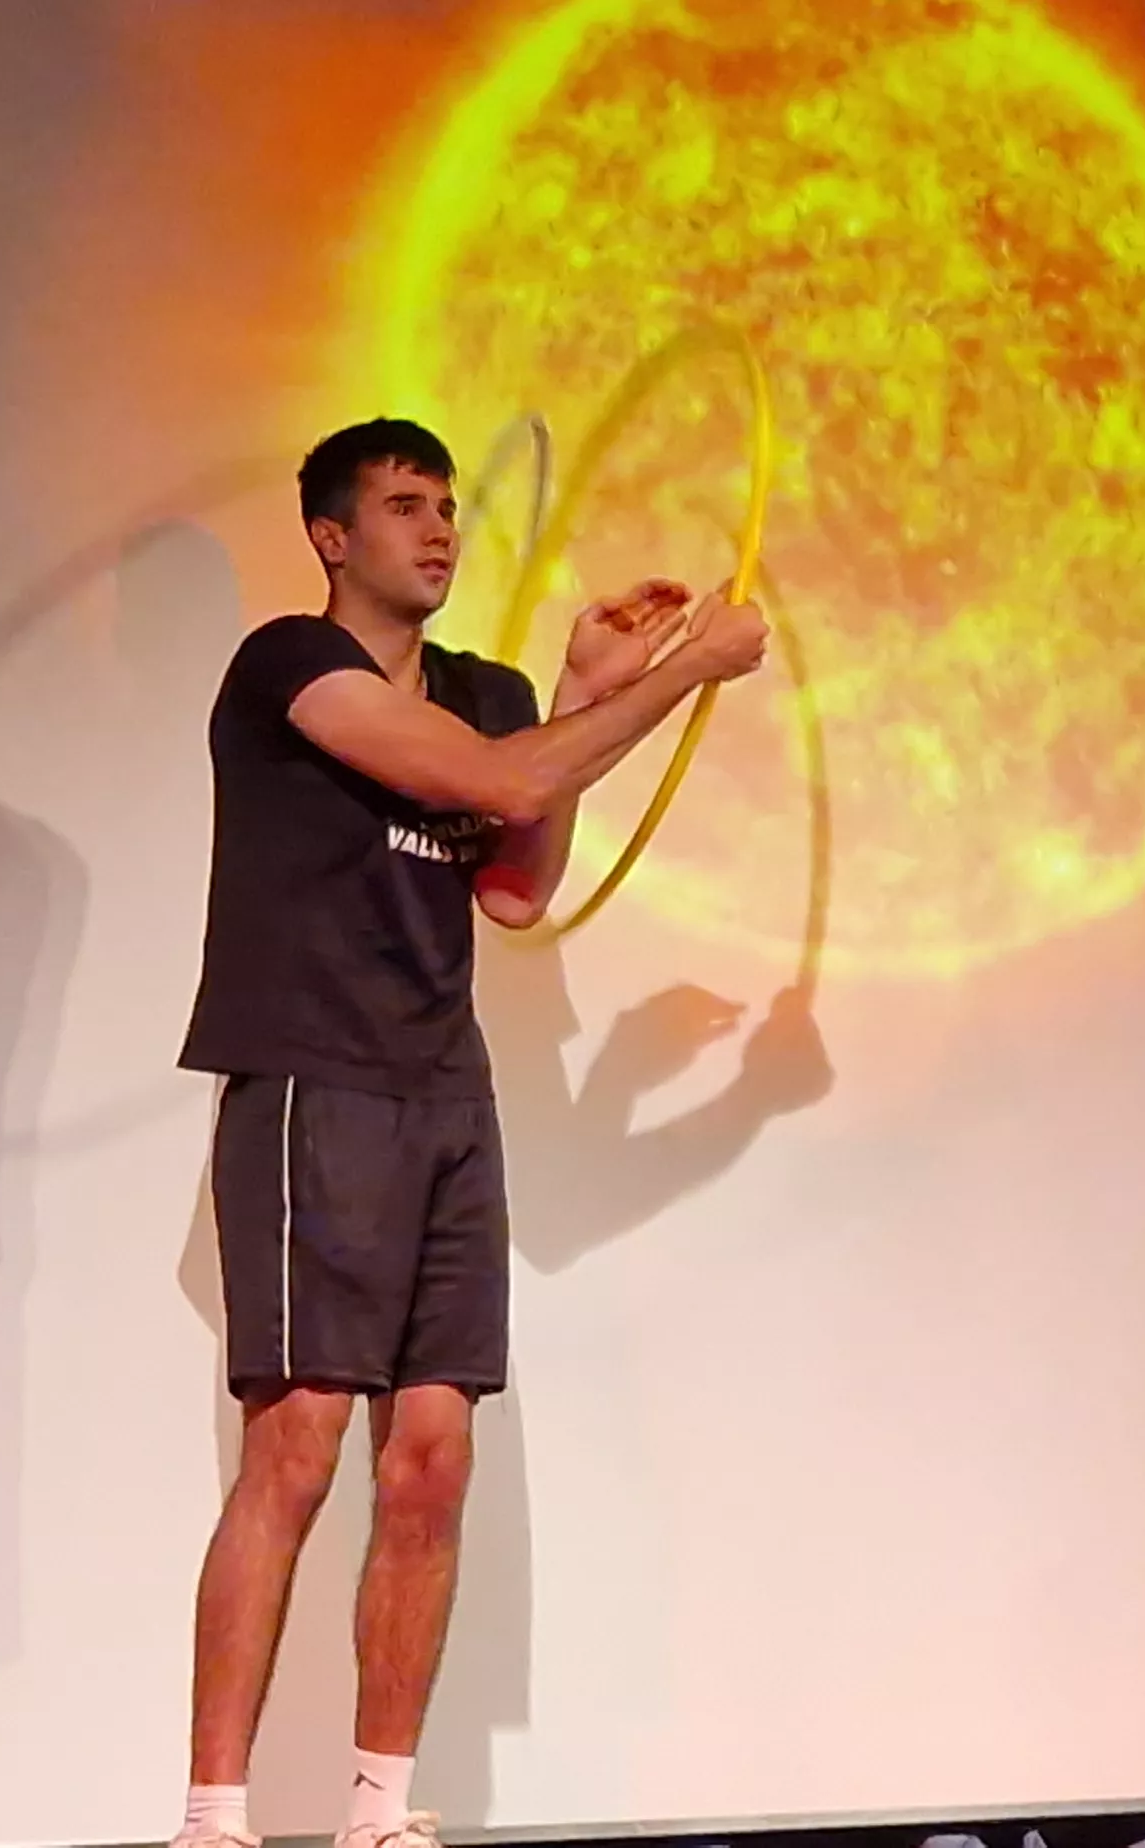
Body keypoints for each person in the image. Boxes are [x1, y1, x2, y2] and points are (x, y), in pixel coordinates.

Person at [165, 418, 773, 1848]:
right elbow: (494, 784)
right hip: (315, 1080)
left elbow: (513, 884)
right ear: (332, 535)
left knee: (432, 1452)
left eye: (446, 507)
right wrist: (686, 678)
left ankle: (378, 1807)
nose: (437, 530)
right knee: (299, 1451)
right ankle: (213, 1816)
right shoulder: (287, 666)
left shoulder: (490, 691)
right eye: (402, 506)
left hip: (446, 1093)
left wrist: (576, 688)